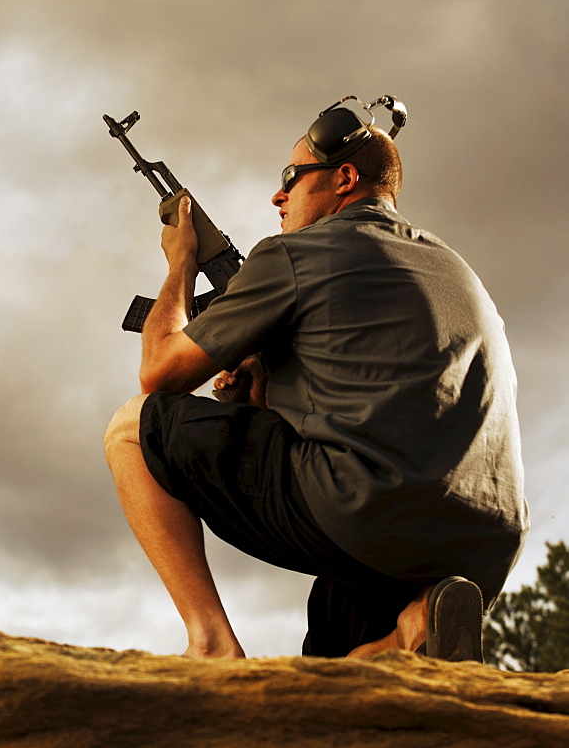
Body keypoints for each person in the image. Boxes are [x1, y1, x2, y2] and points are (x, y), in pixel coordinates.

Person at [104, 99, 528, 661]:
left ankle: (208, 641)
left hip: (369, 511)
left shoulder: (295, 254)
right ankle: (406, 633)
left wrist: (180, 262)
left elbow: (159, 374)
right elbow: (329, 417)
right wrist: (248, 388)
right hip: (480, 549)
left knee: (133, 429)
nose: (278, 197)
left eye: (292, 179)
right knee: (330, 653)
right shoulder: (455, 269)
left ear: (345, 178)